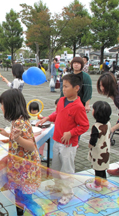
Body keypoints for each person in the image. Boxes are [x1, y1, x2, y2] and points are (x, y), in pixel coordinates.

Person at [37, 74, 89, 205]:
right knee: (56, 168)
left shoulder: (78, 106)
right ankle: (58, 186)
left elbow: (84, 126)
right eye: (62, 86)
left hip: (69, 145)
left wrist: (71, 133)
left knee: (66, 170)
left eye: (66, 86)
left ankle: (67, 193)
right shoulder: (61, 100)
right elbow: (58, 114)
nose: (63, 89)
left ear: (76, 88)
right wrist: (48, 118)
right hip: (57, 140)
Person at [0, 89, 43, 216]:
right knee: (21, 194)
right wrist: (7, 134)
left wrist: (17, 139)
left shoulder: (19, 123)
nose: (1, 107)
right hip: (22, 166)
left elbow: (30, 146)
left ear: (11, 106)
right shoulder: (19, 120)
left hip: (25, 168)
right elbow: (19, 138)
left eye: (3, 104)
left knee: (23, 196)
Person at [86, 101, 112, 191]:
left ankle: (97, 185)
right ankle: (104, 181)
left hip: (98, 154)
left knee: (98, 170)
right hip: (106, 151)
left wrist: (89, 146)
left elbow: (93, 141)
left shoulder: (96, 127)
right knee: (103, 168)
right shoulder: (108, 123)